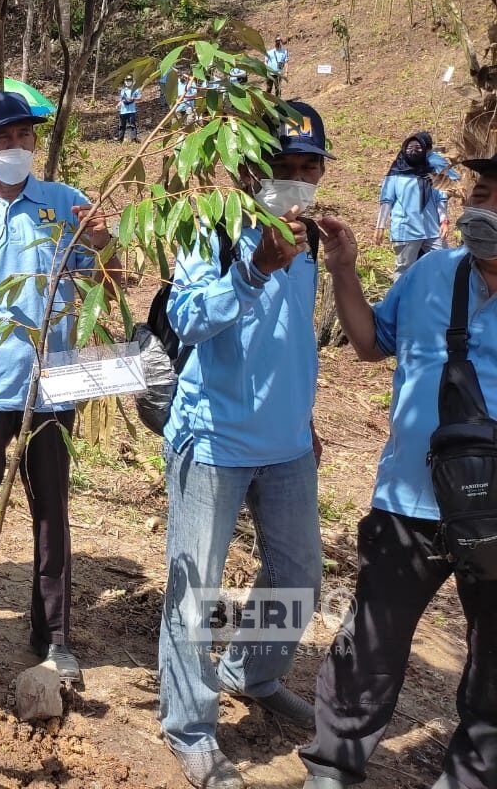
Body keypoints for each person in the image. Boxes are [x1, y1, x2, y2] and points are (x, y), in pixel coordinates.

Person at [298, 159, 497, 789]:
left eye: (494, 195)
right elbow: (368, 342)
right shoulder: (433, 272)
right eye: (479, 192)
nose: (479, 205)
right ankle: (333, 765)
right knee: (371, 642)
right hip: (409, 499)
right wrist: (345, 271)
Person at [158, 102, 333, 789]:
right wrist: (252, 269)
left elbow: (292, 338)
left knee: (298, 573)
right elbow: (186, 318)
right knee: (194, 589)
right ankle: (190, 725)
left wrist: (306, 416)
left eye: (307, 166)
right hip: (214, 440)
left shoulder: (310, 238)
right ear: (248, 167)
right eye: (280, 166)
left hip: (286, 441)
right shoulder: (211, 228)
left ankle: (253, 672)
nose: (294, 179)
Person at [0, 91, 120, 684]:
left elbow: (106, 279)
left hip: (53, 388)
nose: (17, 148)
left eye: (25, 138)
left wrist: (104, 240)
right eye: (4, 139)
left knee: (52, 513)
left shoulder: (65, 205)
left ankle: (55, 634)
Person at [375, 131, 450, 279]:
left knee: (442, 264)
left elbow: (440, 198)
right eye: (410, 147)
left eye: (418, 147)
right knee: (404, 270)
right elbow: (386, 201)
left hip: (432, 230)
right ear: (404, 149)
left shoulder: (431, 172)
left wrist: (444, 221)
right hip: (406, 231)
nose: (414, 151)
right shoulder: (395, 174)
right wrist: (380, 226)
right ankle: (399, 300)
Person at [117, 74, 141, 142]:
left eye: (129, 80)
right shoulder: (123, 90)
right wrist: (118, 105)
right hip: (123, 111)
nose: (128, 82)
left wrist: (133, 98)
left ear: (132, 81)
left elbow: (139, 97)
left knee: (132, 125)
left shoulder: (135, 90)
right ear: (125, 81)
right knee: (121, 126)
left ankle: (134, 139)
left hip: (131, 111)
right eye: (127, 80)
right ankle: (120, 139)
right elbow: (121, 100)